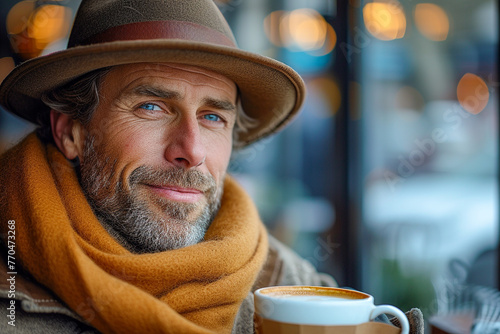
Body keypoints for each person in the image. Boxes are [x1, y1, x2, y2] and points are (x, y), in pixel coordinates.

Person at [0, 0, 423, 333]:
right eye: (152, 106)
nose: (192, 150)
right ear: (71, 131)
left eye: (213, 117)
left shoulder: (277, 276)